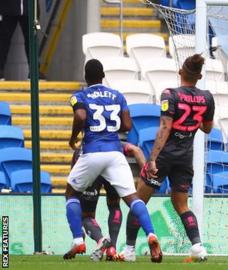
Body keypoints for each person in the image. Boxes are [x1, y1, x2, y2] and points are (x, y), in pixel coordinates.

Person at [64, 59, 162, 263]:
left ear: (85, 77)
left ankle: (77, 240)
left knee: (71, 193)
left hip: (92, 152)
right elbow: (126, 125)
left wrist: (74, 137)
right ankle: (152, 234)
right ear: (103, 76)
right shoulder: (117, 96)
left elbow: (81, 116)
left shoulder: (79, 95)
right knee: (132, 199)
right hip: (116, 154)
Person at [120, 54, 215, 262]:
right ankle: (198, 247)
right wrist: (193, 121)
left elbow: (165, 127)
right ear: (199, 76)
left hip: (164, 157)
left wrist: (152, 158)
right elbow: (207, 128)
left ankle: (128, 250)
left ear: (180, 72)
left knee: (139, 201)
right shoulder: (207, 97)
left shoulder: (170, 94)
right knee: (182, 205)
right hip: (185, 158)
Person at [71, 143, 146, 261]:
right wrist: (145, 173)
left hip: (91, 162)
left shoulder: (82, 147)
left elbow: (74, 181)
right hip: (113, 160)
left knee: (86, 216)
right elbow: (135, 150)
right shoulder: (114, 142)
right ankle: (112, 249)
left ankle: (101, 239)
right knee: (114, 205)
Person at [0, 0, 28, 80]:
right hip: (7, 9)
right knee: (3, 41)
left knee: (32, 40)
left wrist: (37, 12)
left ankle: (35, 71)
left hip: (29, 9)